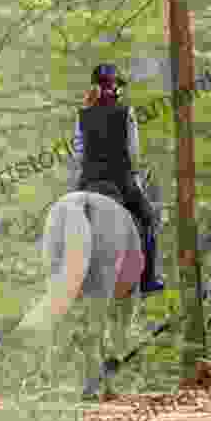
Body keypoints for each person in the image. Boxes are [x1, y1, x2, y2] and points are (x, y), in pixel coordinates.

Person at [73, 63, 164, 294]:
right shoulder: (126, 113)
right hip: (119, 180)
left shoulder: (82, 114)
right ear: (115, 88)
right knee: (149, 220)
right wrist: (135, 176)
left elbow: (79, 152)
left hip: (89, 180)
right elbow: (133, 152)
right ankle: (149, 279)